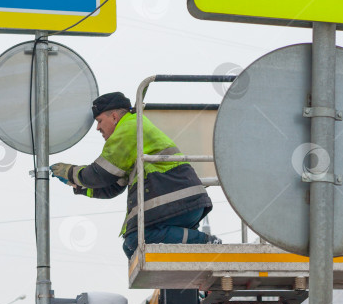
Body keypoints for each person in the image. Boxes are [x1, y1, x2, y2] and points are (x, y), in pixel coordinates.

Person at [50, 91, 220, 258]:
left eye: (100, 121)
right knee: (132, 248)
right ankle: (195, 246)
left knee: (136, 241)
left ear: (115, 117)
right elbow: (113, 187)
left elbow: (99, 174)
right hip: (182, 204)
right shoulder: (134, 129)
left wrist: (70, 171)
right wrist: (77, 185)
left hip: (177, 202)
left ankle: (204, 242)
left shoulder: (129, 128)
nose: (98, 128)